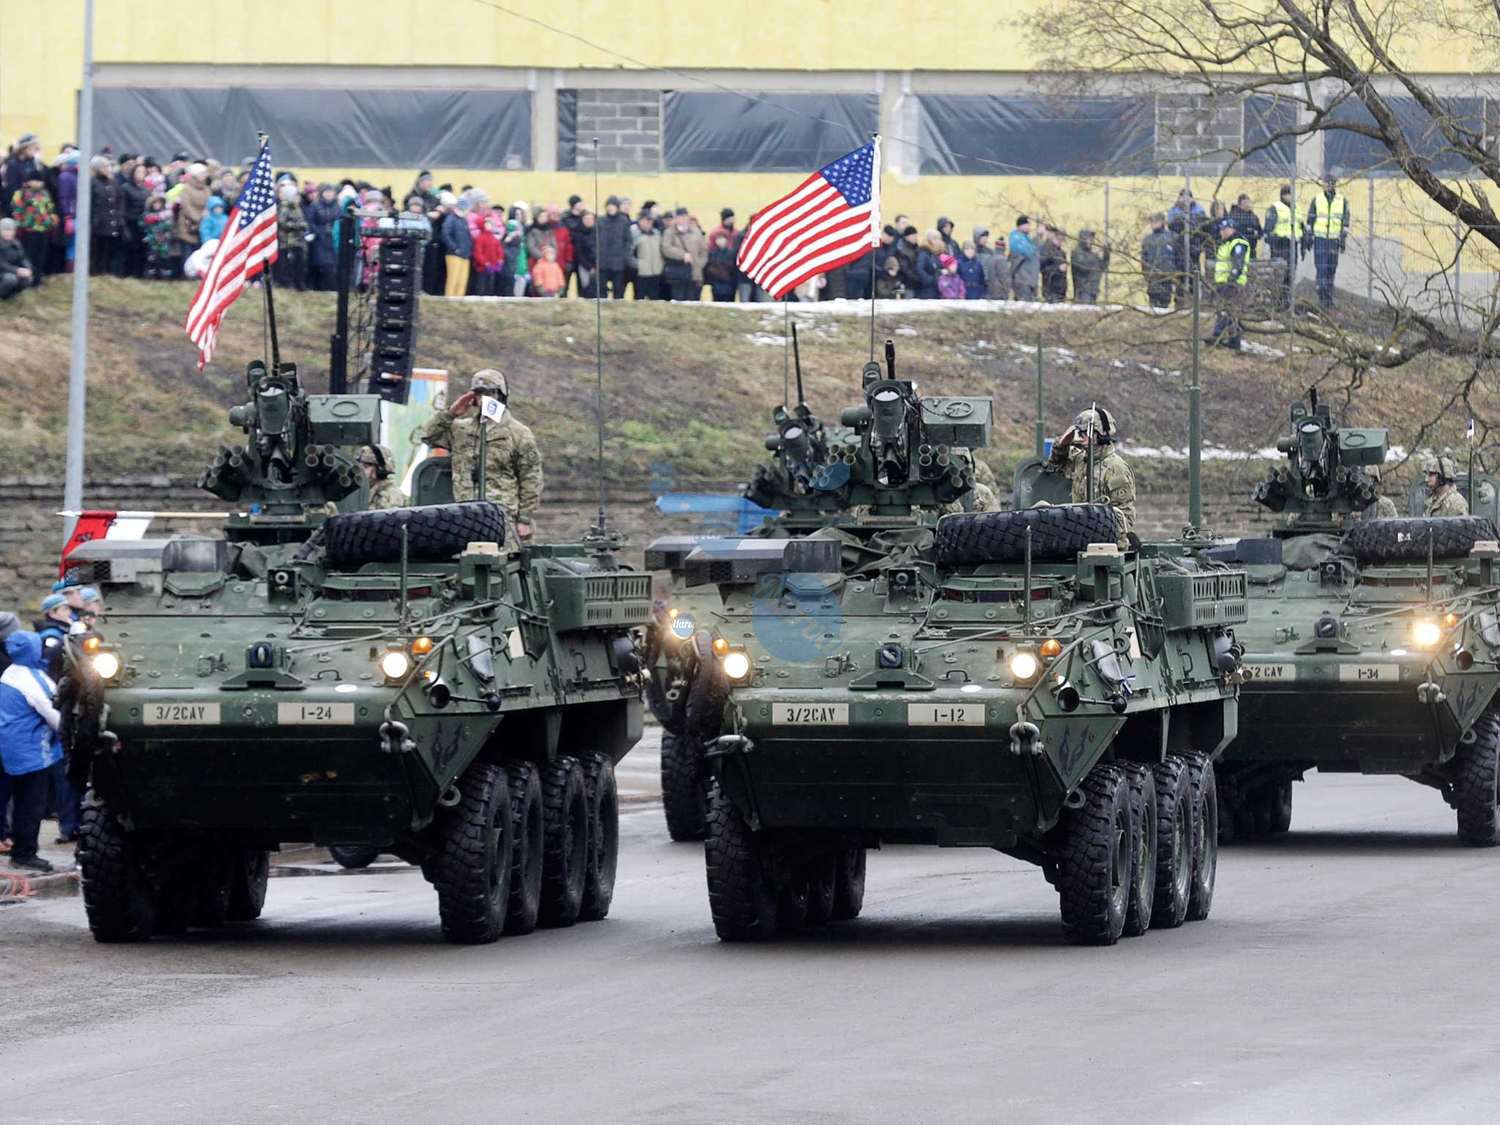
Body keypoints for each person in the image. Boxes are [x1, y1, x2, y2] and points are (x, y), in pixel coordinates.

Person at [417, 369, 543, 550]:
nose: (483, 398)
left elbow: (531, 478)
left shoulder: (518, 434)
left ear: (500, 395)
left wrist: (524, 519)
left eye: (489, 393)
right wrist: (451, 413)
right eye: (478, 393)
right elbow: (427, 436)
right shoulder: (461, 430)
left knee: (505, 569)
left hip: (503, 518)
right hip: (465, 517)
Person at [0, 632, 64, 873]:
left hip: (5, 745)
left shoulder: (9, 672)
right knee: (30, 804)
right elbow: (54, 714)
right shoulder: (35, 679)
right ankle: (24, 853)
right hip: (29, 750)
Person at [1048, 406, 1136, 545]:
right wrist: (1062, 443)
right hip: (1078, 537)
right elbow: (1056, 465)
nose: (1082, 437)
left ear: (1101, 434)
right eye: (1080, 432)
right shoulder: (1080, 459)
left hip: (1104, 543)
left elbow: (1124, 515)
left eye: (1086, 432)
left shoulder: (1117, 468)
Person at [1305, 172, 1349, 310]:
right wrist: (1309, 237)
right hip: (1320, 240)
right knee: (1321, 268)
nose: (1328, 186)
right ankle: (1322, 297)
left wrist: (1342, 239)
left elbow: (1345, 222)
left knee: (1331, 269)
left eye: (1331, 183)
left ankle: (1328, 298)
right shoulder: (1317, 200)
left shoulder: (1342, 201)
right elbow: (1310, 220)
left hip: (1334, 241)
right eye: (1327, 183)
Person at [1207, 217, 1250, 349]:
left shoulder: (1237, 243)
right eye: (1221, 229)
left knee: (1227, 311)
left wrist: (1232, 279)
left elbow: (1238, 262)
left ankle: (1217, 337)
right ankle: (1233, 340)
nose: (1222, 232)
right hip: (1223, 282)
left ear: (1232, 229)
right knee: (1228, 312)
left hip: (1232, 283)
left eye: (1224, 229)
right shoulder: (1226, 243)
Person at [10, 171, 55, 288]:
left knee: (41, 256)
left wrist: (51, 221)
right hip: (29, 230)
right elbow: (17, 211)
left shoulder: (45, 193)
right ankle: (28, 281)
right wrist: (19, 226)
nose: (38, 183)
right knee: (29, 256)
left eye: (40, 181)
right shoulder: (21, 193)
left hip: (44, 229)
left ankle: (38, 280)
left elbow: (50, 208)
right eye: (36, 180)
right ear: (29, 181)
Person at [1264, 184, 1304, 312]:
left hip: (1293, 246)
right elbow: (1268, 231)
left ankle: (1287, 302)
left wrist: (1304, 241)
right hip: (1280, 247)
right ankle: (1277, 302)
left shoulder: (1296, 209)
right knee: (1279, 275)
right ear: (1284, 195)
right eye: (1289, 194)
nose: (1291, 197)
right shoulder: (1275, 208)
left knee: (1290, 275)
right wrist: (1278, 239)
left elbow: (1301, 226)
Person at [1167, 189, 1208, 308]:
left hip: (1194, 248)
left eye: (1187, 197)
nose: (1185, 199)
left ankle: (1193, 304)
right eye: (1183, 197)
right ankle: (1179, 304)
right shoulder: (1174, 210)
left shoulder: (1198, 209)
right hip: (1179, 249)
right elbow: (1171, 225)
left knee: (1193, 277)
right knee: (1180, 277)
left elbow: (1201, 226)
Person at [171, 163, 210, 278]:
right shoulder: (186, 188)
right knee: (187, 253)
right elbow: (186, 207)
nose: (204, 176)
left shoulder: (206, 189)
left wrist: (205, 217)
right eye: (202, 173)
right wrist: (198, 218)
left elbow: (210, 203)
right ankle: (187, 275)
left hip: (202, 226)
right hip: (187, 226)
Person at [90, 156, 125, 277]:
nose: (107, 169)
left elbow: (119, 201)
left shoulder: (113, 183)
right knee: (97, 252)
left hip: (113, 224)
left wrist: (119, 217)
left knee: (111, 253)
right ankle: (97, 274)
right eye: (104, 166)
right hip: (98, 225)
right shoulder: (92, 183)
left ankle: (110, 274)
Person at [661, 208, 707, 301]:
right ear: (676, 218)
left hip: (695, 273)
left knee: (694, 302)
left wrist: (700, 263)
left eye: (686, 217)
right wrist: (682, 255)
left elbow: (703, 250)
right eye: (681, 217)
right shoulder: (669, 233)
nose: (684, 219)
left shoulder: (696, 232)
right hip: (678, 273)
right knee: (678, 301)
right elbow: (666, 248)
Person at [304, 184, 341, 291]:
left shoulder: (337, 206)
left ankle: (330, 287)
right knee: (319, 263)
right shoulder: (315, 206)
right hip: (318, 238)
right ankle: (317, 286)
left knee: (332, 264)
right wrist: (317, 231)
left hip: (333, 238)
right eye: (326, 192)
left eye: (331, 192)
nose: (329, 194)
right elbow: (310, 221)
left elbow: (339, 220)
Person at [275, 179, 309, 290]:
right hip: (287, 241)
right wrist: (297, 226)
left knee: (300, 263)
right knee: (287, 264)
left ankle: (299, 283)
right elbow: (282, 222)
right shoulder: (284, 208)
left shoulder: (297, 208)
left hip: (298, 241)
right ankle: (286, 284)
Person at [597, 195, 633, 300]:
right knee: (602, 289)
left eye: (612, 206)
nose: (610, 208)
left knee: (618, 288)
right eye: (608, 206)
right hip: (603, 261)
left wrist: (624, 255)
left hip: (618, 262)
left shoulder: (623, 221)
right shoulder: (601, 221)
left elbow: (627, 240)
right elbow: (595, 239)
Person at [440, 195, 473, 298]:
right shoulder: (451, 218)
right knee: (452, 280)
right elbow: (445, 234)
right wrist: (454, 248)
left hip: (465, 254)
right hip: (453, 254)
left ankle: (459, 300)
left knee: (462, 281)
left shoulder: (464, 219)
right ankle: (450, 299)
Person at [1141, 213, 1175, 309]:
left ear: (1162, 222)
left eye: (1156, 221)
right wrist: (1146, 273)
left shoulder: (1171, 236)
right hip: (1152, 276)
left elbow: (1177, 255)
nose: (1153, 223)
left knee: (1165, 300)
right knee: (1153, 300)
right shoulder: (1147, 239)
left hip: (1167, 275)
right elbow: (1144, 258)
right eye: (1152, 221)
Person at [358, 445, 404, 509]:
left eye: (366, 466)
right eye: (360, 466)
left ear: (380, 469)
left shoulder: (390, 495)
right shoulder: (362, 492)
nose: (361, 470)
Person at [1070, 229, 1110, 304]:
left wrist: (1106, 253)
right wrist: (1094, 254)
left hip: (1093, 290)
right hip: (1083, 291)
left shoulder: (1091, 254)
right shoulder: (1077, 252)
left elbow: (1103, 266)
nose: (1091, 241)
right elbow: (1083, 266)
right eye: (1088, 239)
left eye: (1091, 239)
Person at [631, 213, 664, 299]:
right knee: (639, 298)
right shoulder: (634, 234)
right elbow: (629, 252)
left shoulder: (657, 234)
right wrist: (637, 264)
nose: (649, 222)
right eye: (647, 220)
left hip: (656, 271)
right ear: (640, 221)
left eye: (650, 220)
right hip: (642, 273)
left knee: (655, 298)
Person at [0, 217, 34, 299]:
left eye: (10, 230)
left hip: (13, 270)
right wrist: (16, 271)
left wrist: (27, 268)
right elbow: (1, 264)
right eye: (5, 230)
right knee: (11, 279)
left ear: (14, 231)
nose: (8, 233)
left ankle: (11, 294)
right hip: (3, 272)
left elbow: (23, 258)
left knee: (28, 278)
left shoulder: (17, 243)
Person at [1008, 216, 1039, 300]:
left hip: (1030, 280)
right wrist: (1038, 236)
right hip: (1022, 280)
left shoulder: (1027, 239)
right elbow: (1029, 252)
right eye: (1025, 224)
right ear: (1019, 226)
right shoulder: (1016, 239)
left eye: (1028, 224)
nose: (1028, 226)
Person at [705, 233, 737, 301]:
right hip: (716, 284)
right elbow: (710, 268)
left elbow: (734, 268)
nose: (721, 241)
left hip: (729, 284)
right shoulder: (712, 253)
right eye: (719, 239)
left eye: (723, 238)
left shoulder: (732, 253)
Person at [1040, 227, 1069, 302]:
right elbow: (1043, 269)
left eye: (1063, 240)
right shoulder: (1046, 250)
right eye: (1059, 239)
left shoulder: (1062, 253)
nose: (1061, 242)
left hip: (1061, 289)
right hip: (1050, 289)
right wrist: (1058, 269)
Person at [1229, 193, 1263, 258]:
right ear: (1239, 204)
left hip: (1252, 248)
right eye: (1245, 202)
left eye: (1248, 202)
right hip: (1238, 248)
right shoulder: (1234, 216)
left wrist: (1255, 234)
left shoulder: (1253, 217)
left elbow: (1260, 232)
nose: (1247, 204)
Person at [915, 231, 944, 299]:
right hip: (926, 290)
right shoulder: (924, 253)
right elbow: (920, 268)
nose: (939, 241)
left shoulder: (937, 254)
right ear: (931, 240)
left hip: (937, 288)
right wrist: (929, 280)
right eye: (937, 239)